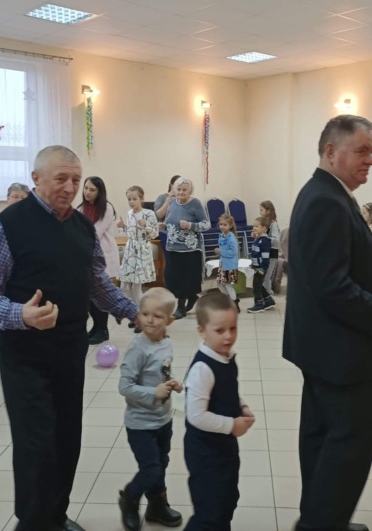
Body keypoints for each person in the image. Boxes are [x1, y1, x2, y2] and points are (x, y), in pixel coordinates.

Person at [0, 145, 140, 531]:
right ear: (36, 178)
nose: (70, 187)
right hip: (24, 357)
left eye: (76, 180)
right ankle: (33, 523)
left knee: (67, 439)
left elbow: (96, 282)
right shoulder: (8, 225)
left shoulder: (82, 227)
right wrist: (21, 315)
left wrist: (134, 312)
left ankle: (55, 516)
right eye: (61, 178)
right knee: (36, 446)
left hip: (69, 351)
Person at [283, 114, 372, 531]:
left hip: (327, 349)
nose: (371, 159)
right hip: (340, 352)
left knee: (322, 438)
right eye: (362, 150)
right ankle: (321, 523)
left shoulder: (328, 193)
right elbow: (330, 285)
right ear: (331, 151)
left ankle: (319, 518)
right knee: (348, 447)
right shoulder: (326, 200)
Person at [184, 292, 254, 531]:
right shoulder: (203, 368)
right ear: (202, 331)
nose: (228, 336)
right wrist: (232, 425)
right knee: (210, 512)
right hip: (205, 452)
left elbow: (226, 391)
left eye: (233, 328)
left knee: (227, 499)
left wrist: (241, 406)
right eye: (220, 330)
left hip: (223, 446)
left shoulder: (226, 357)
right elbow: (196, 416)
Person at [118, 287, 183, 531]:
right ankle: (130, 499)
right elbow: (124, 386)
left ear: (169, 321)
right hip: (140, 423)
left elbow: (162, 372)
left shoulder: (166, 342)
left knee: (161, 464)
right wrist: (152, 393)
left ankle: (157, 507)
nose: (149, 320)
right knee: (151, 468)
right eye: (145, 314)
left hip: (163, 419)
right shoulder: (138, 349)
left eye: (157, 316)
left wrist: (172, 382)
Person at [0, 183, 31, 363]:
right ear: (7, 199)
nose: (18, 200)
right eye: (15, 197)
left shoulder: (33, 223)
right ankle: (1, 349)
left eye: (23, 198)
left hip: (22, 281)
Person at [77, 176, 121, 345]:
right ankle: (96, 327)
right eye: (86, 188)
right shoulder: (81, 208)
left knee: (100, 295)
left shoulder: (107, 208)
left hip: (103, 256)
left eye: (92, 189)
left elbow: (95, 231)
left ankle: (103, 329)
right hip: (85, 256)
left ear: (99, 192)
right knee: (89, 297)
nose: (87, 192)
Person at [163, 177, 210, 319]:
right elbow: (169, 222)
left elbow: (206, 224)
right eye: (178, 189)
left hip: (189, 249)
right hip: (172, 248)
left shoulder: (195, 203)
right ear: (174, 190)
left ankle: (181, 307)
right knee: (172, 278)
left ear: (190, 191)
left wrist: (190, 225)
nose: (181, 192)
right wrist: (162, 226)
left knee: (185, 279)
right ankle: (191, 297)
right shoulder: (172, 203)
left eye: (184, 190)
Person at [118, 186, 159, 332]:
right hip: (130, 250)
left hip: (142, 251)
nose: (131, 202)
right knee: (124, 286)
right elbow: (131, 232)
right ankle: (136, 314)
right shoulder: (129, 213)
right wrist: (123, 227)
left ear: (141, 199)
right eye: (129, 199)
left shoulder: (149, 213)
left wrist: (146, 225)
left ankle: (144, 317)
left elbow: (154, 233)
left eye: (134, 199)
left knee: (136, 288)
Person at [214, 213, 240, 312]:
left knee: (227, 284)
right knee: (220, 284)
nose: (222, 226)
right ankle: (228, 300)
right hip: (223, 264)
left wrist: (221, 252)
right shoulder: (221, 236)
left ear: (230, 226)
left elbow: (234, 251)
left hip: (230, 265)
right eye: (221, 224)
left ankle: (234, 303)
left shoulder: (231, 237)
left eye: (225, 225)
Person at [246, 217, 272, 314]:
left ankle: (259, 304)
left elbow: (265, 256)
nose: (254, 228)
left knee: (256, 286)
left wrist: (263, 268)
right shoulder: (258, 239)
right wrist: (253, 264)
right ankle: (268, 301)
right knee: (259, 285)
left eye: (256, 226)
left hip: (261, 268)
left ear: (264, 228)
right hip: (257, 267)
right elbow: (256, 253)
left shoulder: (264, 241)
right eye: (254, 226)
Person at [259, 200, 279, 308]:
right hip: (265, 253)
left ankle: (268, 299)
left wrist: (264, 237)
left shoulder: (273, 224)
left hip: (272, 253)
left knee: (267, 277)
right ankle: (265, 297)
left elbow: (275, 240)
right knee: (263, 277)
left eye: (261, 210)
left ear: (268, 211)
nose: (260, 212)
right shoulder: (265, 223)